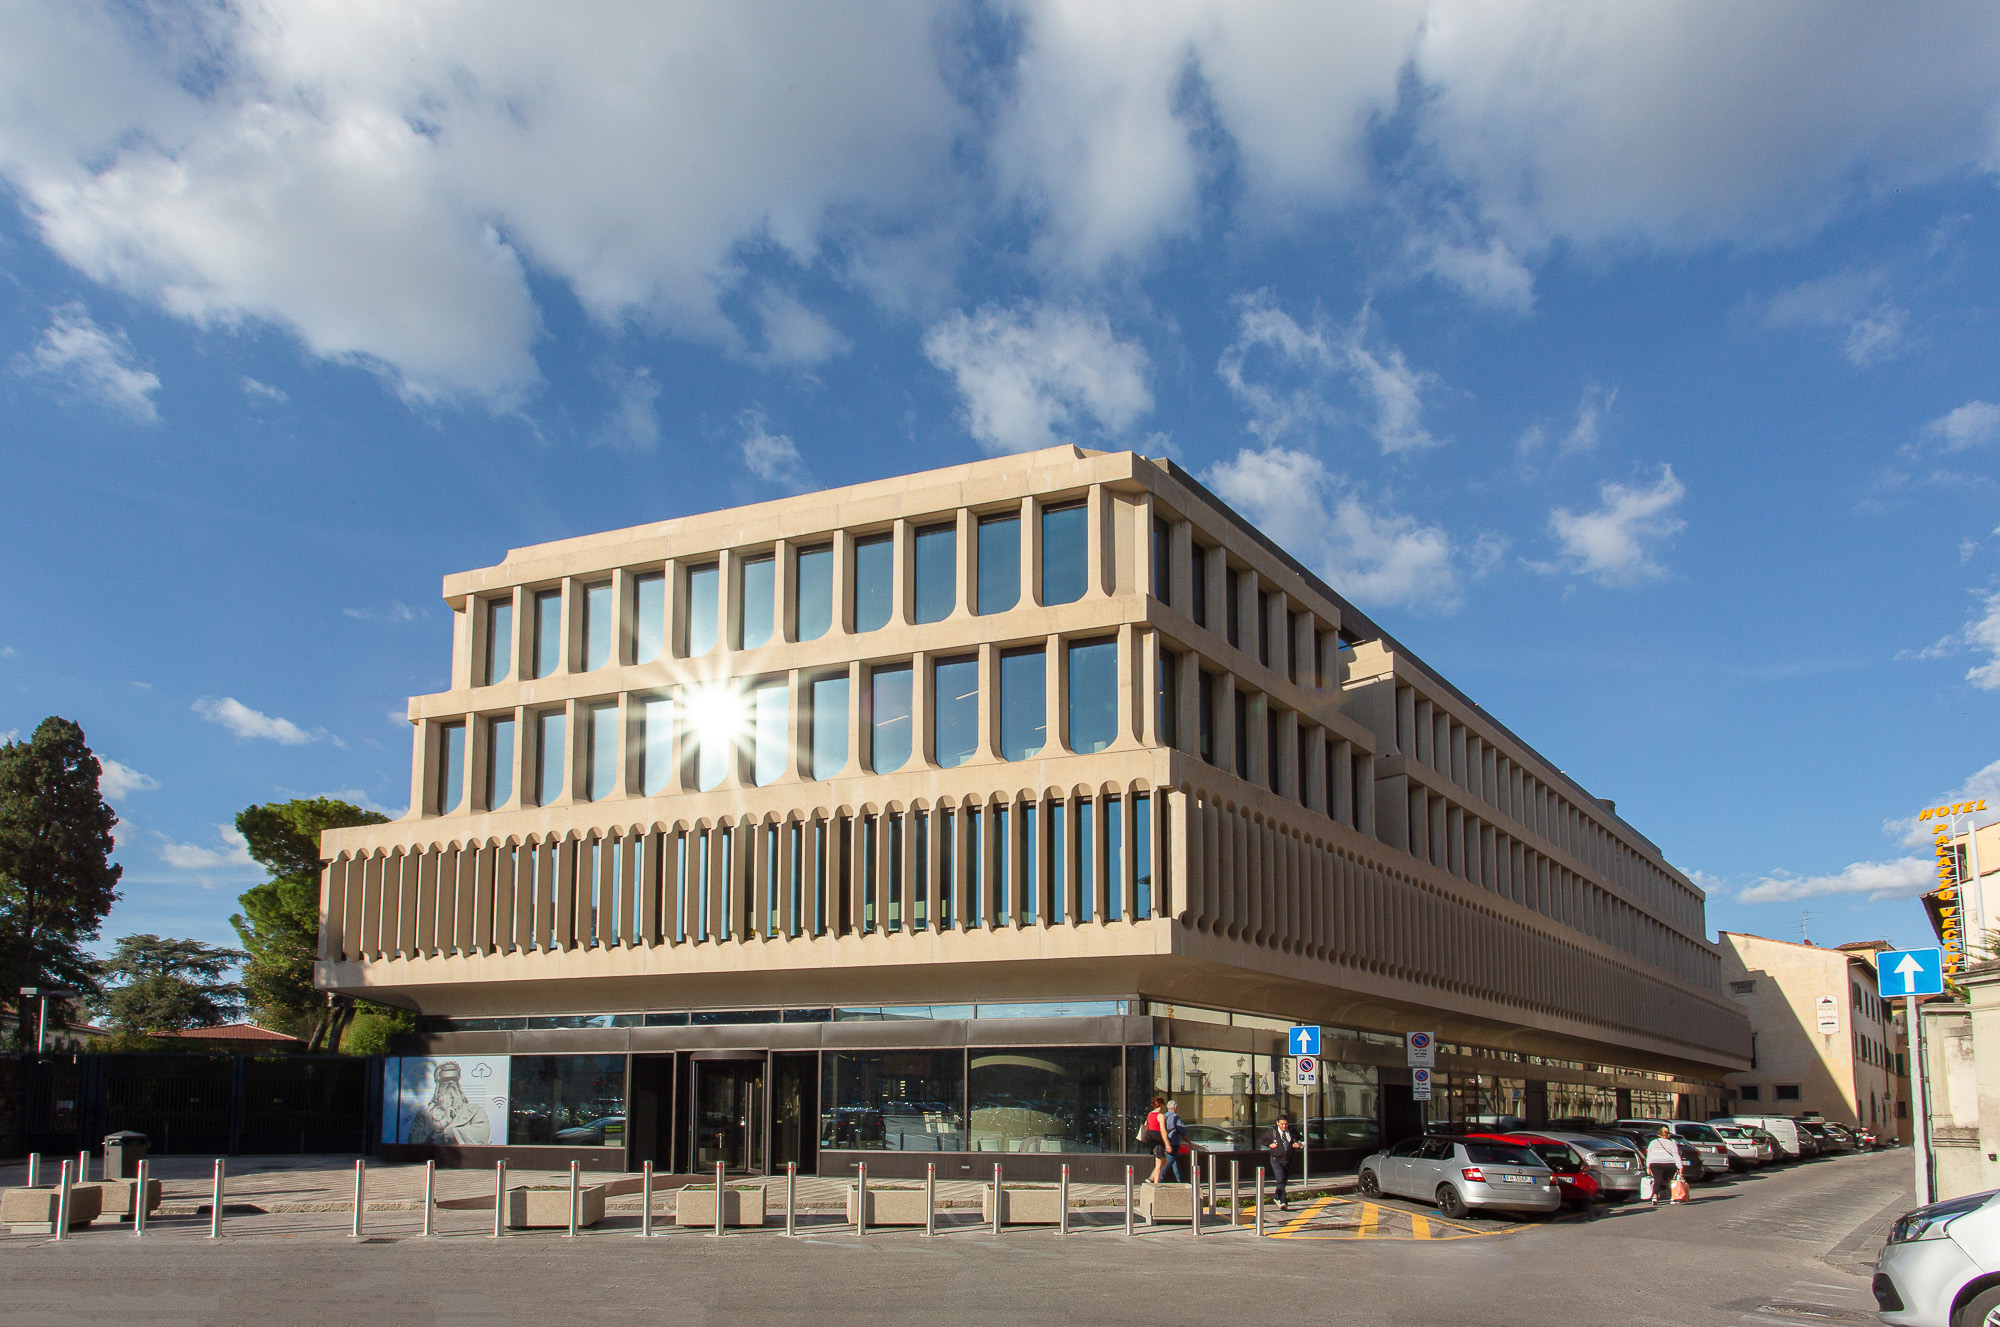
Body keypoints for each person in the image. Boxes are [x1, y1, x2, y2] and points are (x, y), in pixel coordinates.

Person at [1260, 1114, 1301, 1209]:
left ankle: (1276, 1197)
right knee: (1280, 1179)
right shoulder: (1272, 1131)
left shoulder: (1292, 1131)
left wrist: (1297, 1143)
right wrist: (1270, 1144)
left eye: (1286, 1124)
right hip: (1276, 1159)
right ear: (1277, 1123)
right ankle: (1283, 1201)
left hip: (1288, 1159)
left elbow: (1300, 1138)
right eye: (1282, 1124)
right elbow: (1262, 1140)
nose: (1284, 1126)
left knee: (1283, 1181)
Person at [1644, 1126, 1684, 1206]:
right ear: (1668, 1135)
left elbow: (1649, 1155)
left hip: (1655, 1163)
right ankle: (1672, 1198)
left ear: (1659, 1134)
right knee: (1671, 1181)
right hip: (1669, 1163)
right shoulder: (1672, 1143)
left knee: (1657, 1180)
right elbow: (1676, 1155)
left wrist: (1648, 1166)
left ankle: (1654, 1197)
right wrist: (1680, 1167)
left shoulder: (1653, 1142)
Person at [1142, 1096, 1171, 1184]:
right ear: (1161, 1105)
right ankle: (1156, 1183)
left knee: (1164, 1161)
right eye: (1163, 1104)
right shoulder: (1160, 1115)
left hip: (1151, 1139)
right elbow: (1163, 1130)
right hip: (1158, 1140)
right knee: (1158, 1164)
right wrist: (1167, 1144)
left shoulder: (1150, 1114)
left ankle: (1151, 1178)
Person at [1163, 1100, 1188, 1183]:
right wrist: (1189, 1142)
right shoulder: (1175, 1117)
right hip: (1173, 1142)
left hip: (1165, 1141)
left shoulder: (1163, 1116)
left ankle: (1180, 1179)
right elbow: (1182, 1131)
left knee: (1175, 1161)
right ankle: (1158, 1177)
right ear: (1175, 1107)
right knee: (1169, 1160)